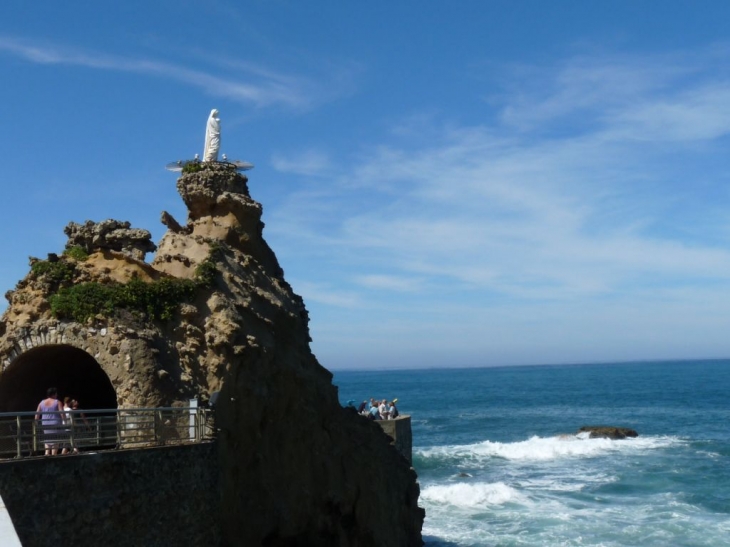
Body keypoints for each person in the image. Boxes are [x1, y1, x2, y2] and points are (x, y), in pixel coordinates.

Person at [35, 388, 64, 456]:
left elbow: (37, 414)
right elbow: (62, 413)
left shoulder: (41, 402)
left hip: (45, 424)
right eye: (56, 393)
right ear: (54, 394)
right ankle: (54, 455)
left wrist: (36, 423)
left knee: (47, 440)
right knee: (55, 440)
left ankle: (47, 454)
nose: (57, 395)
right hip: (55, 424)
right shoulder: (57, 402)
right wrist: (65, 421)